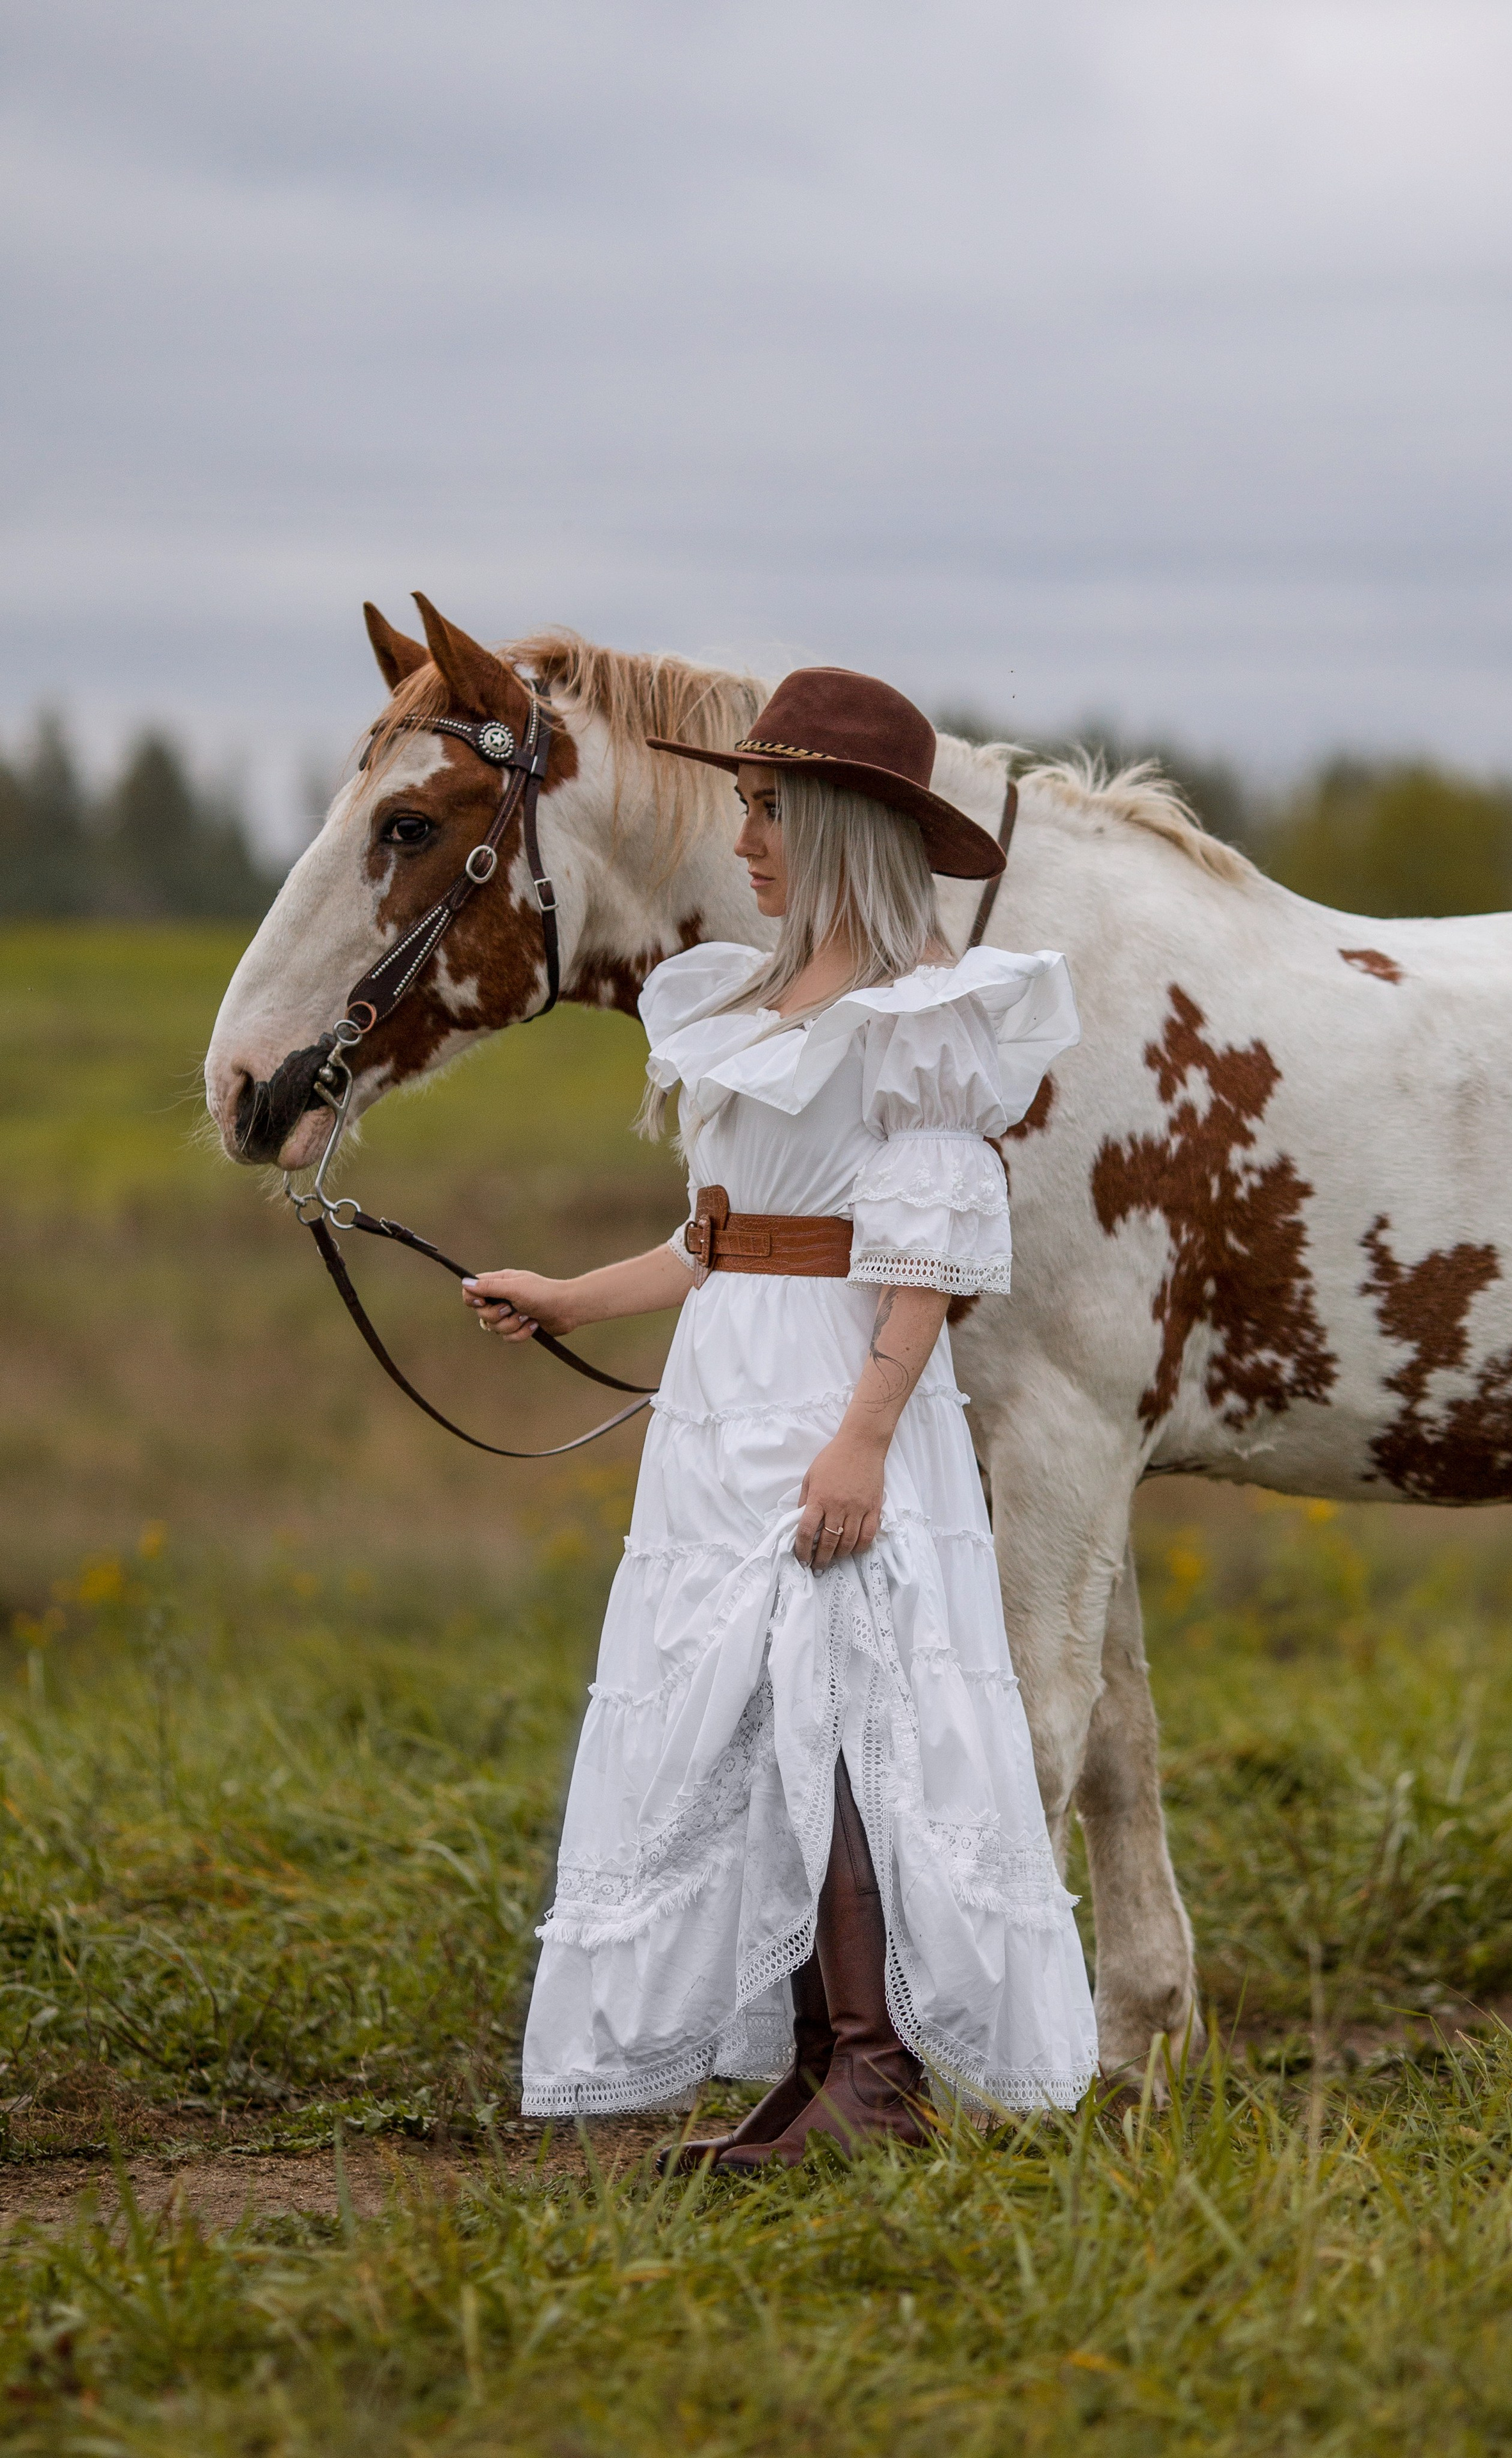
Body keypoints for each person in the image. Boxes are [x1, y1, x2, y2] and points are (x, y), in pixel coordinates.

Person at [463, 666, 1098, 2167]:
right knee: (761, 1716)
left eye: (767, 809)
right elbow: (715, 1241)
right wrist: (565, 1294)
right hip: (723, 1400)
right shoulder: (746, 1004)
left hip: (831, 1390)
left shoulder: (918, 1016)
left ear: (835, 828)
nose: (742, 837)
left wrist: (865, 1436)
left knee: (846, 1707)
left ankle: (877, 2071)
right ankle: (821, 2062)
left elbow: (926, 1256)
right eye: (744, 805)